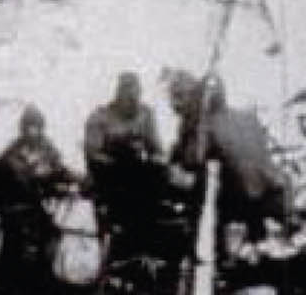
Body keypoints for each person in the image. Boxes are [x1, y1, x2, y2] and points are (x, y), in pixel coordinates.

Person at [170, 75, 290, 248]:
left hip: (239, 199)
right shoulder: (248, 117)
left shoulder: (207, 125)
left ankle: (209, 250)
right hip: (271, 190)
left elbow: (193, 161)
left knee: (197, 186)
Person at [82, 72, 168, 271]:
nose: (132, 99)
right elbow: (92, 153)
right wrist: (117, 160)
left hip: (141, 177)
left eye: (136, 94)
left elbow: (157, 149)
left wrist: (150, 160)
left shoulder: (145, 114)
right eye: (127, 94)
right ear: (118, 93)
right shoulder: (100, 117)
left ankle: (149, 252)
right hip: (110, 178)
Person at [0, 107, 74, 295]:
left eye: (37, 127)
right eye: (29, 127)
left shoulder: (48, 150)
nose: (33, 131)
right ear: (22, 128)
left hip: (38, 207)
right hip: (16, 208)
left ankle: (42, 278)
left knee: (49, 236)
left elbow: (60, 171)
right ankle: (8, 282)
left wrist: (73, 181)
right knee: (15, 240)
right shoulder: (12, 152)